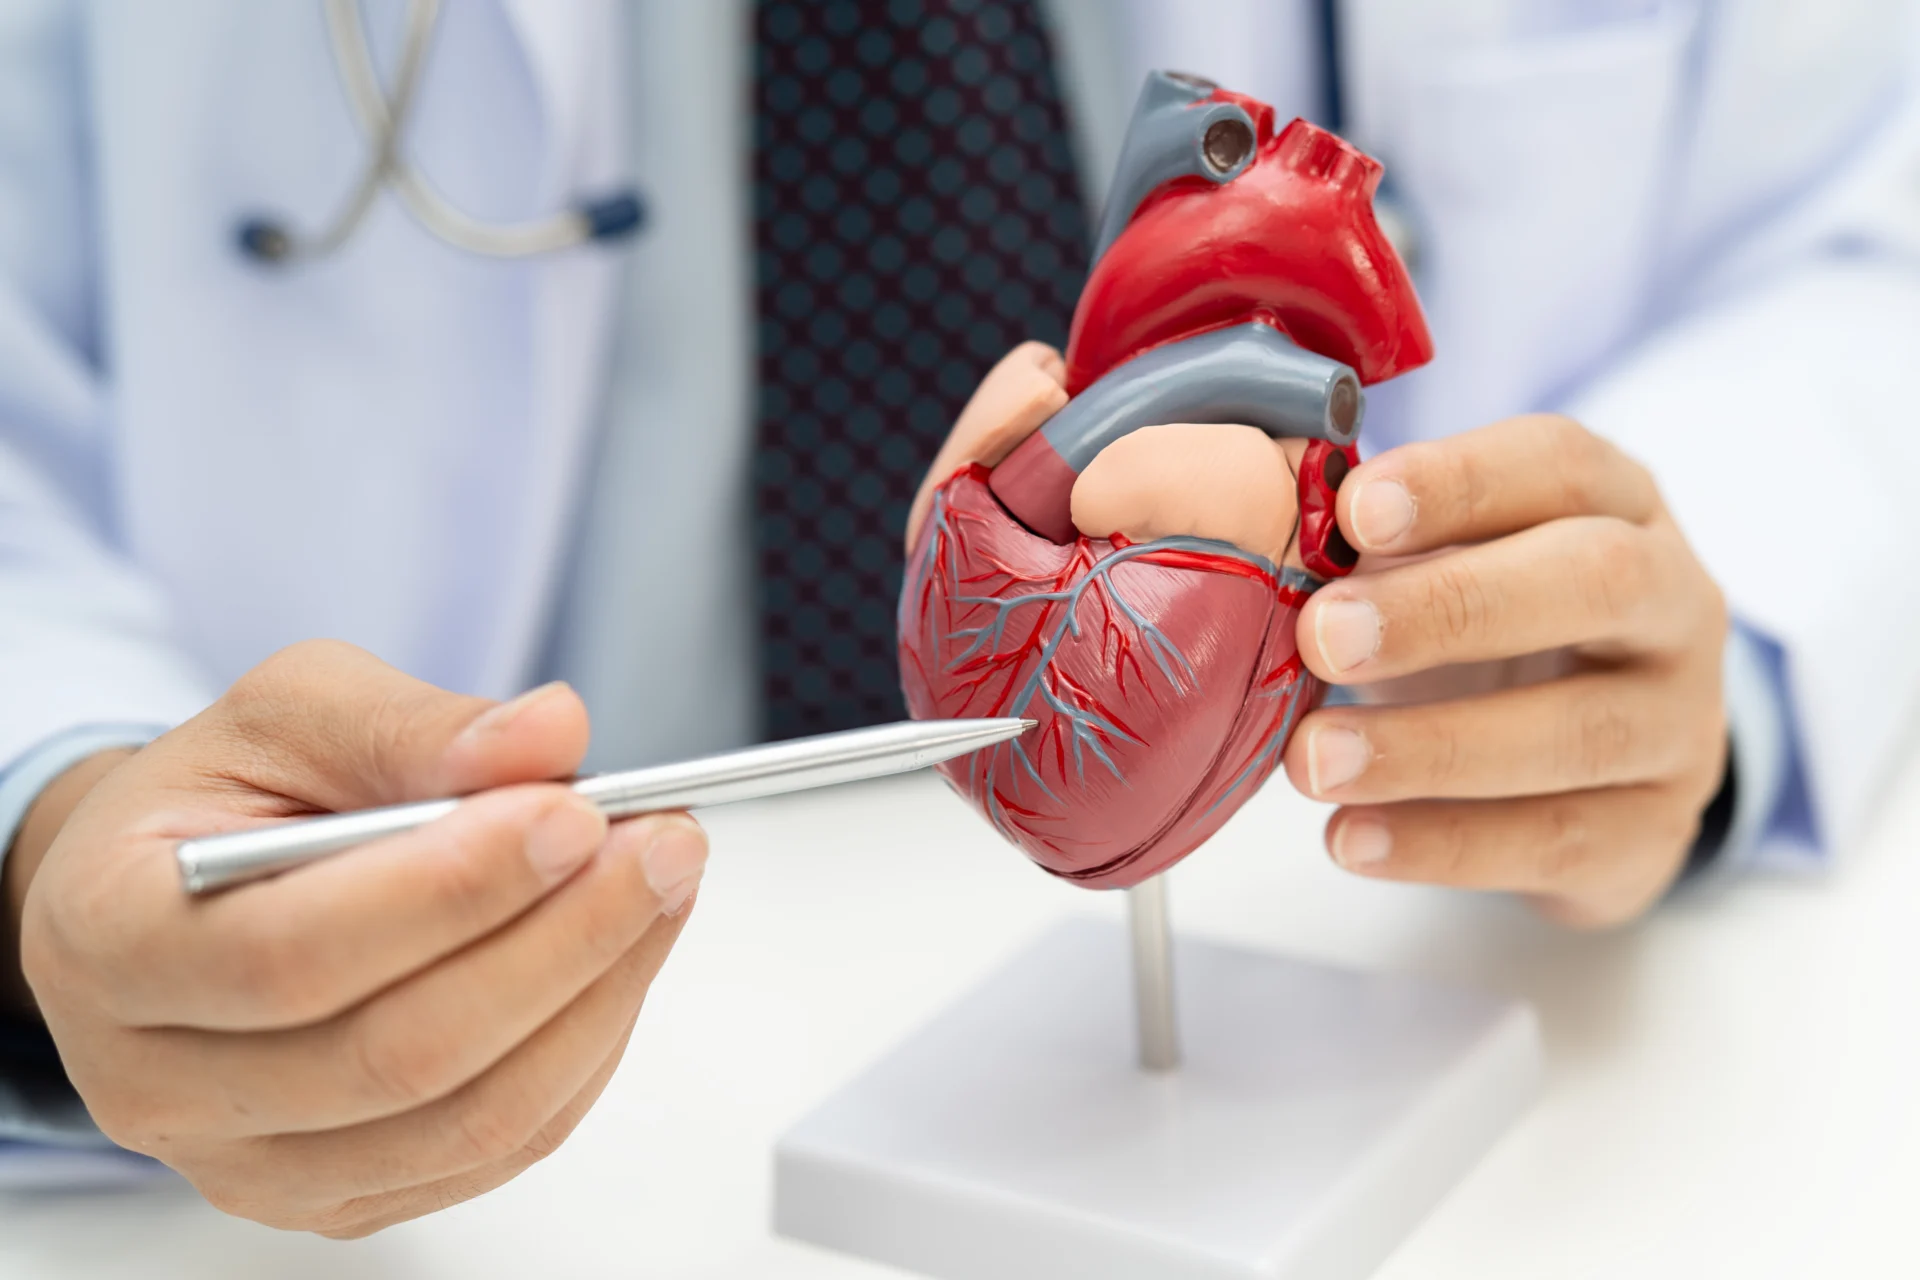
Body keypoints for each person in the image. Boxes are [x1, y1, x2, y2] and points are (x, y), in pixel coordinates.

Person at [0, 0, 1914, 1235]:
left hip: (1462, 1012)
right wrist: (50, 827)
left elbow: (1860, 208)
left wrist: (1685, 643)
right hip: (561, 1114)